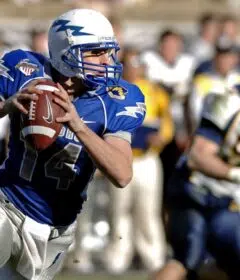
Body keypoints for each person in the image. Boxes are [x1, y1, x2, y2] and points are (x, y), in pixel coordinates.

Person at [0, 8, 145, 280]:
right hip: (7, 203)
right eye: (95, 52)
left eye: (108, 51)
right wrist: (7, 104)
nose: (106, 61)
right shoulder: (25, 68)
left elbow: (122, 174)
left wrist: (78, 125)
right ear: (66, 51)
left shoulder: (118, 99)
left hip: (56, 227)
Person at [152, 84, 240, 280]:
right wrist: (235, 175)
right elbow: (198, 156)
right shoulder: (229, 101)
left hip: (230, 202)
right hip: (195, 192)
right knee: (187, 259)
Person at [104, 47, 173, 274]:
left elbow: (167, 124)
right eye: (128, 65)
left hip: (147, 158)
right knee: (119, 210)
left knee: (148, 210)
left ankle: (153, 256)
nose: (133, 69)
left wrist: (160, 137)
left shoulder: (154, 91)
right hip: (120, 157)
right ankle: (118, 256)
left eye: (136, 65)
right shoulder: (111, 90)